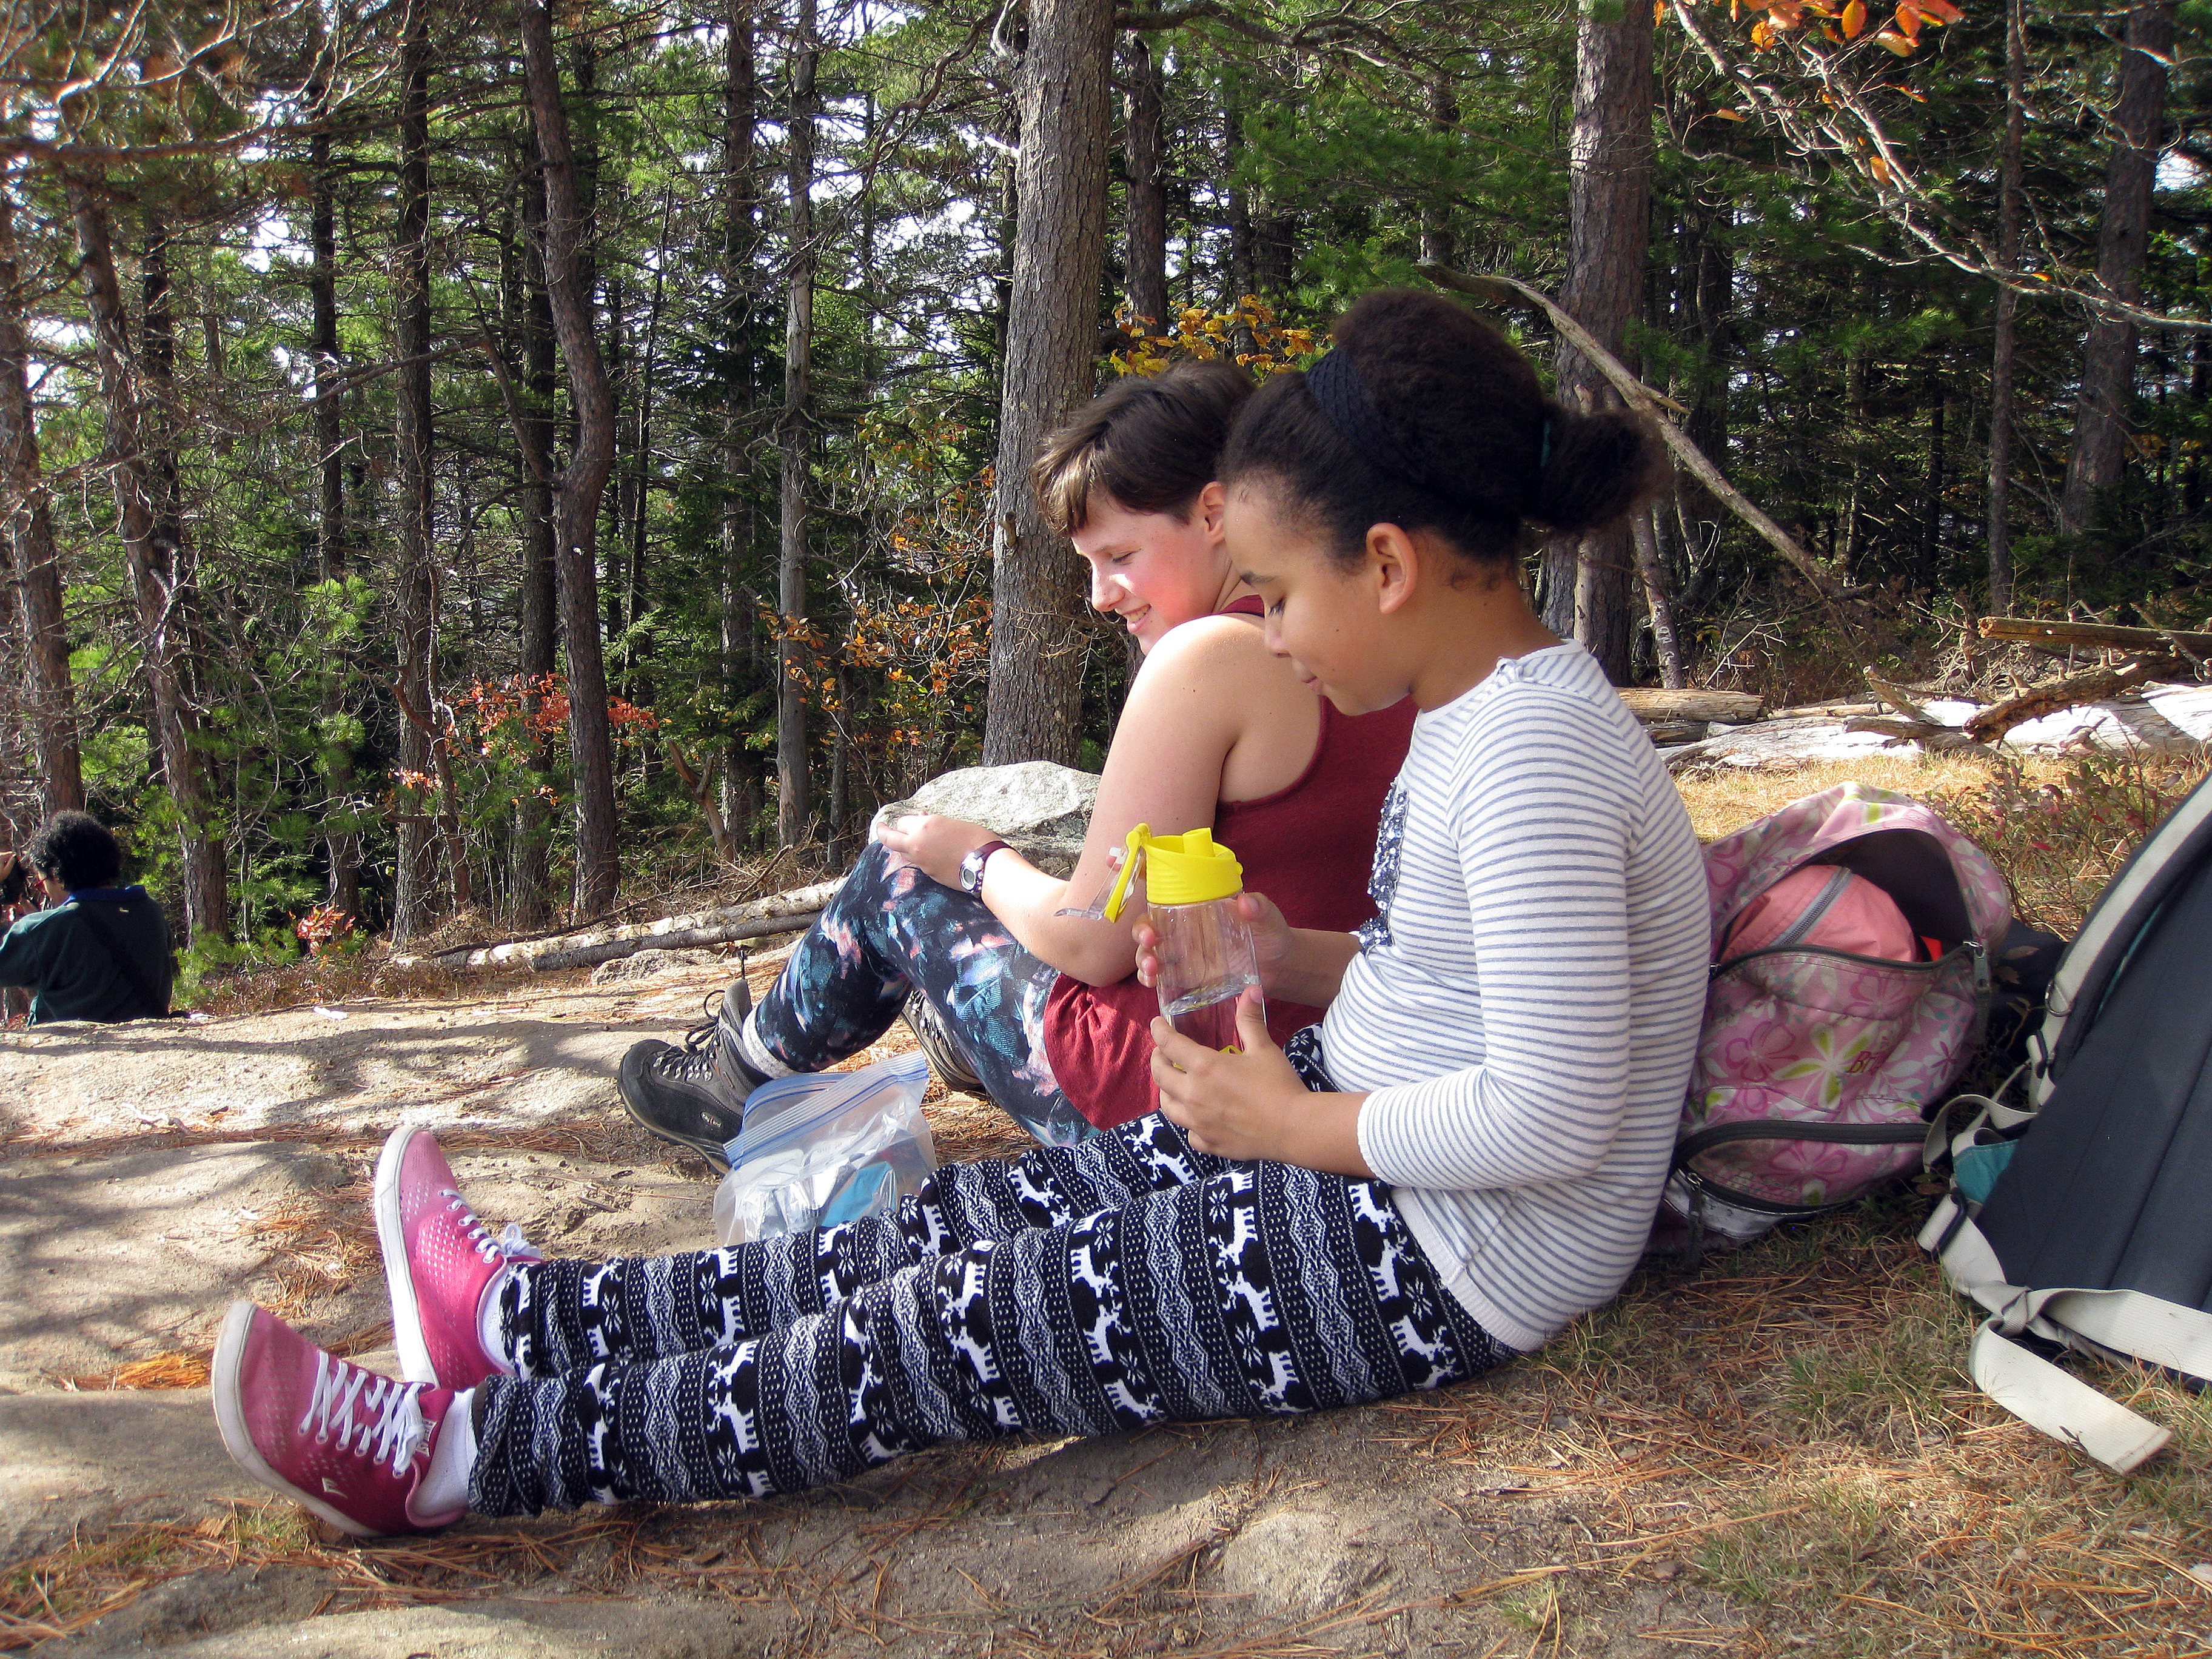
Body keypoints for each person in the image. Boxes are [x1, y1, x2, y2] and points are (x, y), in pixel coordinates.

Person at [207, 287, 1712, 1538]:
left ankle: (460, 1451)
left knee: (950, 1325)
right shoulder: (1470, 709)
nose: (1263, 629)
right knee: (952, 1220)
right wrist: (1288, 953)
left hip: (1452, 1253)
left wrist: (1287, 1124)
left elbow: (1558, 1112)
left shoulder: (1531, 754)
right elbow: (1451, 973)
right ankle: (533, 1322)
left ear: (1383, 564)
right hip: (1364, 1134)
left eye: (1269, 591)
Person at [617, 358, 1414, 1159]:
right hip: (1339, 1066)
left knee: (895, 878)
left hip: (1173, 1100)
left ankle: (735, 1085)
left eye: (1121, 556)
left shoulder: (1205, 659)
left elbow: (1094, 943)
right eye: (1090, 566)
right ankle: (957, 1042)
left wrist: (970, 858)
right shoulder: (1375, 641)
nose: (1102, 594)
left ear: (1214, 515)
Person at [0, 811, 173, 1024]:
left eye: (41, 883)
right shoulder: (150, 912)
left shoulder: (45, 930)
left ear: (56, 874)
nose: (45, 891)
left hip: (71, 1050)